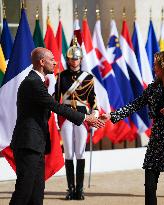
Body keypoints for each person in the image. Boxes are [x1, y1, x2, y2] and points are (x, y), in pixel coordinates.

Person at [100, 51, 164, 205]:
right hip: (156, 143)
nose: (154, 68)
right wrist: (112, 115)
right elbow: (135, 104)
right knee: (150, 188)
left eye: (156, 65)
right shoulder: (154, 87)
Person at [9, 47, 104, 205]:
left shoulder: (37, 81)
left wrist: (90, 113)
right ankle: (72, 187)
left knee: (36, 194)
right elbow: (56, 105)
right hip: (28, 144)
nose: (55, 62)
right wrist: (86, 118)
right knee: (24, 192)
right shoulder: (33, 83)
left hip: (36, 144)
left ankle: (78, 188)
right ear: (42, 62)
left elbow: (89, 98)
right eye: (52, 59)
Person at [54, 40, 98, 200]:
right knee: (68, 152)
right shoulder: (61, 77)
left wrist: (96, 115)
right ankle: (70, 188)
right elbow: (55, 98)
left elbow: (93, 100)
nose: (74, 61)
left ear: (81, 59)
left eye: (76, 58)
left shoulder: (88, 78)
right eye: (72, 58)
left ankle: (79, 189)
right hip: (66, 116)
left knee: (80, 152)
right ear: (68, 59)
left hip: (81, 116)